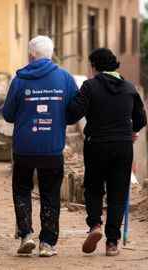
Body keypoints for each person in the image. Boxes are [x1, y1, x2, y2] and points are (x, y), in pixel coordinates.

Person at [2, 35, 78, 257]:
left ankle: (26, 234)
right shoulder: (65, 78)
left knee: (22, 190)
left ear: (30, 55)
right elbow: (73, 113)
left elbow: (7, 115)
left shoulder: (19, 80)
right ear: (51, 54)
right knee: (50, 194)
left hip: (24, 148)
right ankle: (47, 244)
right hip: (52, 148)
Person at [67, 48, 147, 256]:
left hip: (96, 145)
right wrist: (132, 131)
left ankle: (95, 225)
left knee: (93, 188)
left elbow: (74, 113)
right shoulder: (129, 88)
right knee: (118, 193)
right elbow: (141, 119)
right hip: (122, 146)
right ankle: (112, 243)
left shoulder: (89, 86)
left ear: (94, 67)